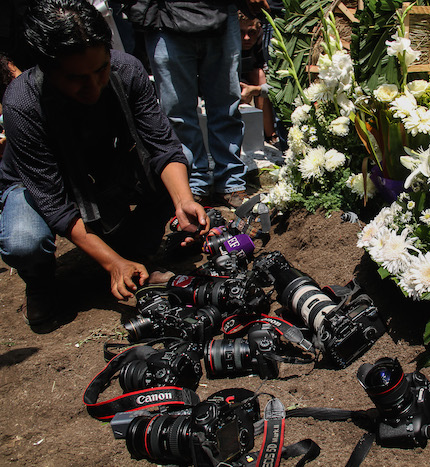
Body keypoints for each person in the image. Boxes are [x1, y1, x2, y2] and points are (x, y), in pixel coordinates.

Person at [0, 0, 211, 332]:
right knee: (23, 240)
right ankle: (41, 280)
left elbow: (162, 145)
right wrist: (112, 264)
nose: (93, 86)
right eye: (76, 78)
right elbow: (53, 203)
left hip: (102, 169)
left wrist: (184, 202)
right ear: (47, 68)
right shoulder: (22, 102)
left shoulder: (127, 71)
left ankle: (134, 253)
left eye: (101, 70)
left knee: (179, 161)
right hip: (37, 185)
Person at [125, 0, 270, 208]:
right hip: (166, 15)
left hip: (219, 11)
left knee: (227, 105)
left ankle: (230, 182)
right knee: (177, 112)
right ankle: (193, 183)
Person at [239, 12, 278, 146]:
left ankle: (268, 133)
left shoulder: (263, 44)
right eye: (241, 32)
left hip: (252, 77)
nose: (246, 38)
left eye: (252, 32)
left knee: (260, 75)